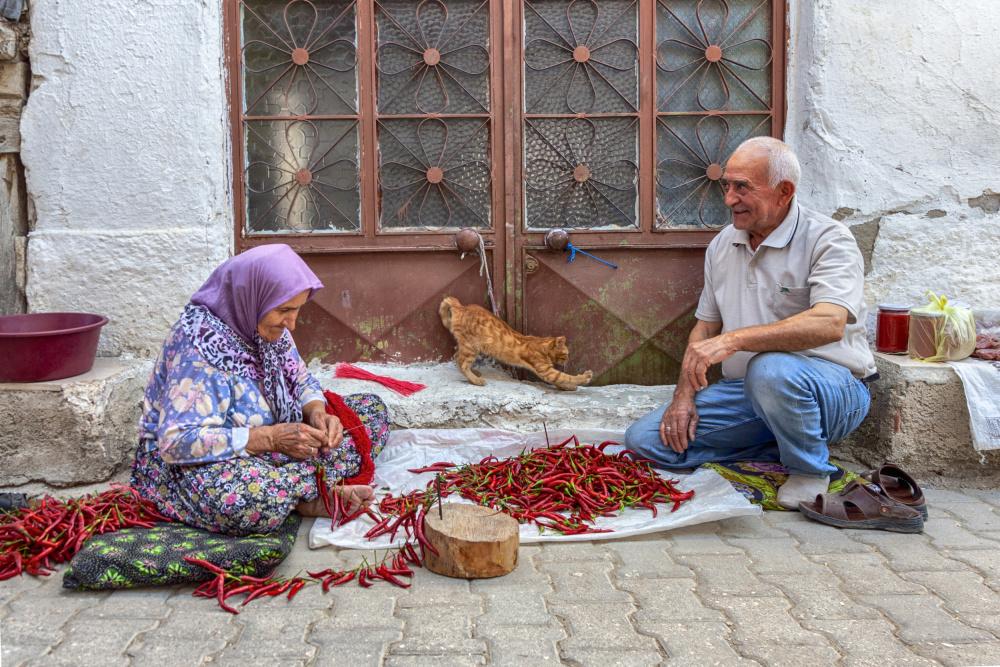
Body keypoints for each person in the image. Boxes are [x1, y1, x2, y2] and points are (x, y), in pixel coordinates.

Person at [624, 137, 876, 509]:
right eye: (727, 185)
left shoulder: (828, 239)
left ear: (784, 192)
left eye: (742, 188)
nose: (729, 199)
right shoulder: (724, 244)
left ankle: (811, 470)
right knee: (646, 440)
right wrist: (682, 397)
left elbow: (830, 323)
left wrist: (737, 340)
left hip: (833, 392)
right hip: (749, 394)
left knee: (771, 368)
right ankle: (779, 444)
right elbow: (705, 329)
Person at [130, 244, 388, 536]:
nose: (292, 323)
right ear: (252, 297)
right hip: (199, 463)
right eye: (284, 310)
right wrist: (270, 439)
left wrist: (318, 413)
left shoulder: (265, 327)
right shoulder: (198, 349)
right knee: (247, 501)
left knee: (370, 410)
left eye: (297, 310)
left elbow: (302, 381)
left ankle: (297, 491)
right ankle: (307, 494)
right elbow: (176, 443)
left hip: (274, 444)